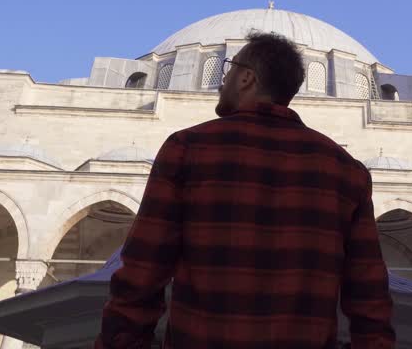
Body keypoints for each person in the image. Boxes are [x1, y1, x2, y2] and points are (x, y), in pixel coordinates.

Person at [95, 31, 396, 348]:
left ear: (246, 78)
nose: (223, 79)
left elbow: (142, 272)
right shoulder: (346, 170)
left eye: (229, 68)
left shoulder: (187, 149)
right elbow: (369, 296)